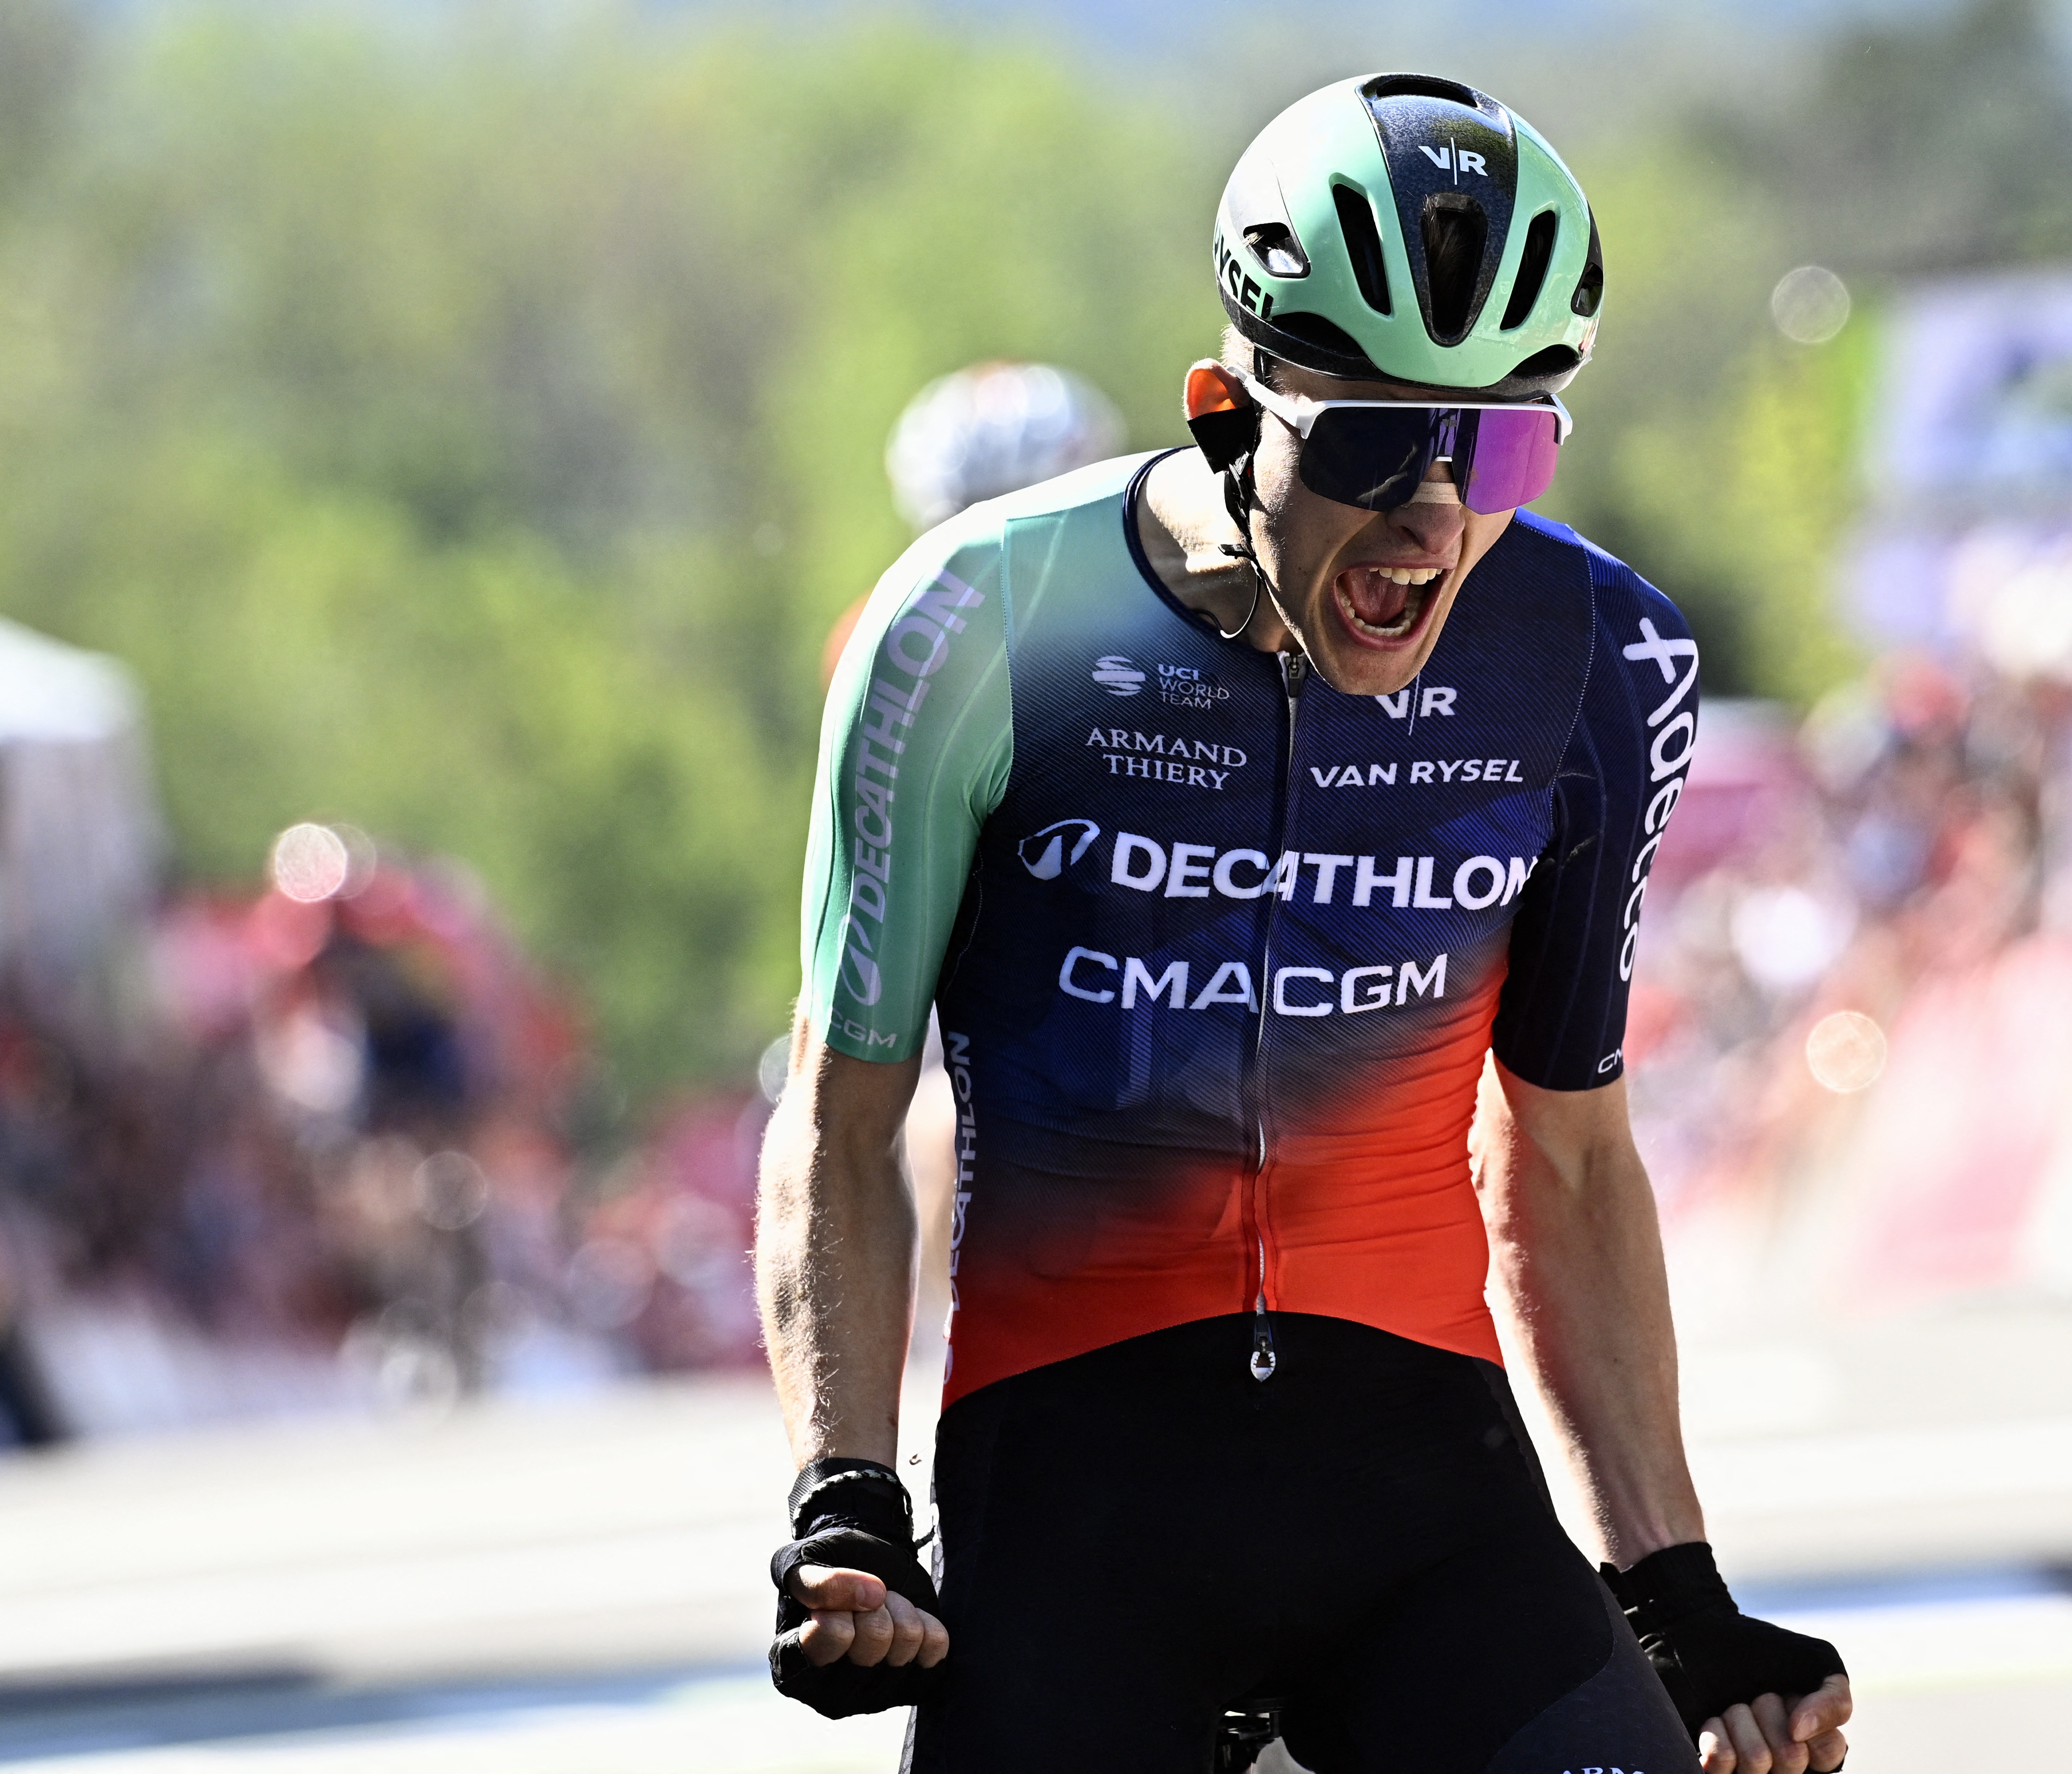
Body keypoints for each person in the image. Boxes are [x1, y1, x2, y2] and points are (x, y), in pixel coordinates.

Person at [756, 73, 1855, 1774]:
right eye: (1369, 440)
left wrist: (1679, 1594)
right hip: (1075, 1508)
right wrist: (846, 1491)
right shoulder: (976, 625)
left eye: (1499, 442)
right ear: (1222, 404)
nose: (1433, 516)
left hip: (1425, 1512)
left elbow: (1563, 1157)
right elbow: (839, 1117)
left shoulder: (1593, 659)